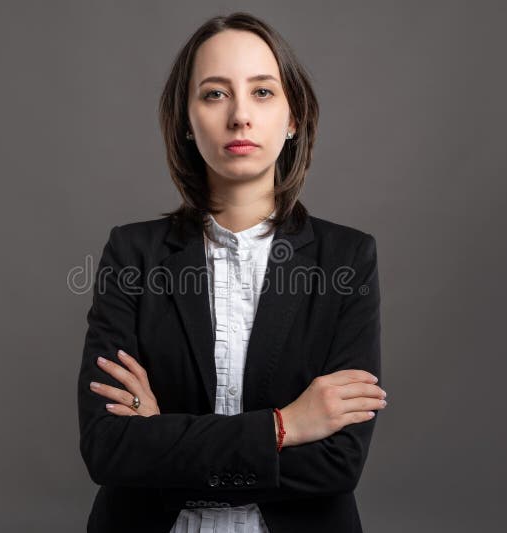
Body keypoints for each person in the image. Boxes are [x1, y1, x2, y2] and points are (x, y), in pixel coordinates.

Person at [77, 11, 387, 533]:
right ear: (185, 119)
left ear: (293, 119)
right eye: (215, 94)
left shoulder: (347, 259)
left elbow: (338, 464)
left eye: (262, 92)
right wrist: (286, 426)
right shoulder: (132, 254)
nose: (240, 115)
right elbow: (110, 451)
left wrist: (164, 439)